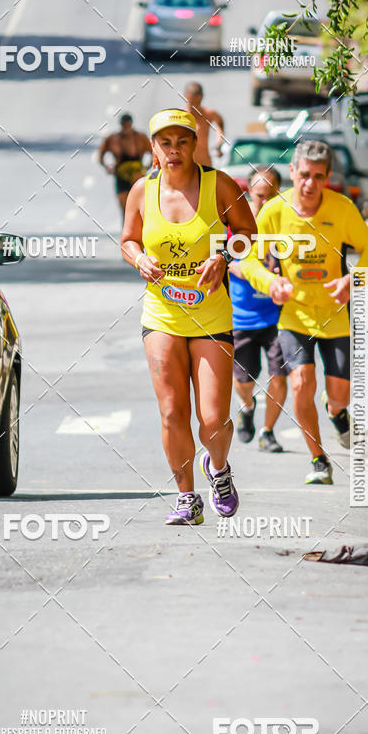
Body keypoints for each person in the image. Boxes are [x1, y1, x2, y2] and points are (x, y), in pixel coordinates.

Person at [120, 108, 265, 525]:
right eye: (165, 143)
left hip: (210, 317)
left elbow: (248, 235)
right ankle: (186, 498)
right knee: (171, 412)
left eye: (182, 141)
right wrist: (139, 259)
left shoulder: (218, 184)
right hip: (162, 314)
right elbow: (128, 240)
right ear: (153, 148)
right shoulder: (140, 191)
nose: (174, 150)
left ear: (195, 143)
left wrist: (222, 257)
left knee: (214, 418)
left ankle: (218, 471)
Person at [240, 140, 368, 485]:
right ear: (292, 172)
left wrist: (354, 281)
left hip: (335, 316)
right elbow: (247, 258)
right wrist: (269, 283)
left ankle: (336, 411)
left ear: (327, 177)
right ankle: (318, 459)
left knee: (339, 395)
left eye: (318, 176)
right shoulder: (274, 210)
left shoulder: (342, 208)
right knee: (301, 381)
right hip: (294, 317)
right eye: (304, 174)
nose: (309, 183)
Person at [228, 167, 287, 450]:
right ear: (249, 192)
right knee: (243, 378)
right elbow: (221, 255)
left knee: (280, 374)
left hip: (277, 315)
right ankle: (247, 407)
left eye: (270, 196)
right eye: (259, 195)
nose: (264, 202)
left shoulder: (284, 221)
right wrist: (240, 267)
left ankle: (267, 431)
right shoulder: (236, 222)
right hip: (242, 315)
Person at [99, 114, 152, 217]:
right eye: (124, 124)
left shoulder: (140, 137)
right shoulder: (113, 139)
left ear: (131, 124)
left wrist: (146, 168)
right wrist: (108, 168)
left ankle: (141, 231)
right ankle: (126, 231)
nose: (126, 126)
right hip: (121, 175)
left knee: (140, 207)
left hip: (137, 175)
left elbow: (153, 153)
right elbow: (101, 155)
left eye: (128, 124)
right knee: (126, 209)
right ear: (121, 124)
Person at [184, 82, 225, 167]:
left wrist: (219, 142)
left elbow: (220, 122)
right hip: (187, 167)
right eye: (191, 102)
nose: (194, 106)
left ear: (201, 97)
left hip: (205, 164)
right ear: (186, 97)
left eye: (197, 102)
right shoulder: (181, 116)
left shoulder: (209, 114)